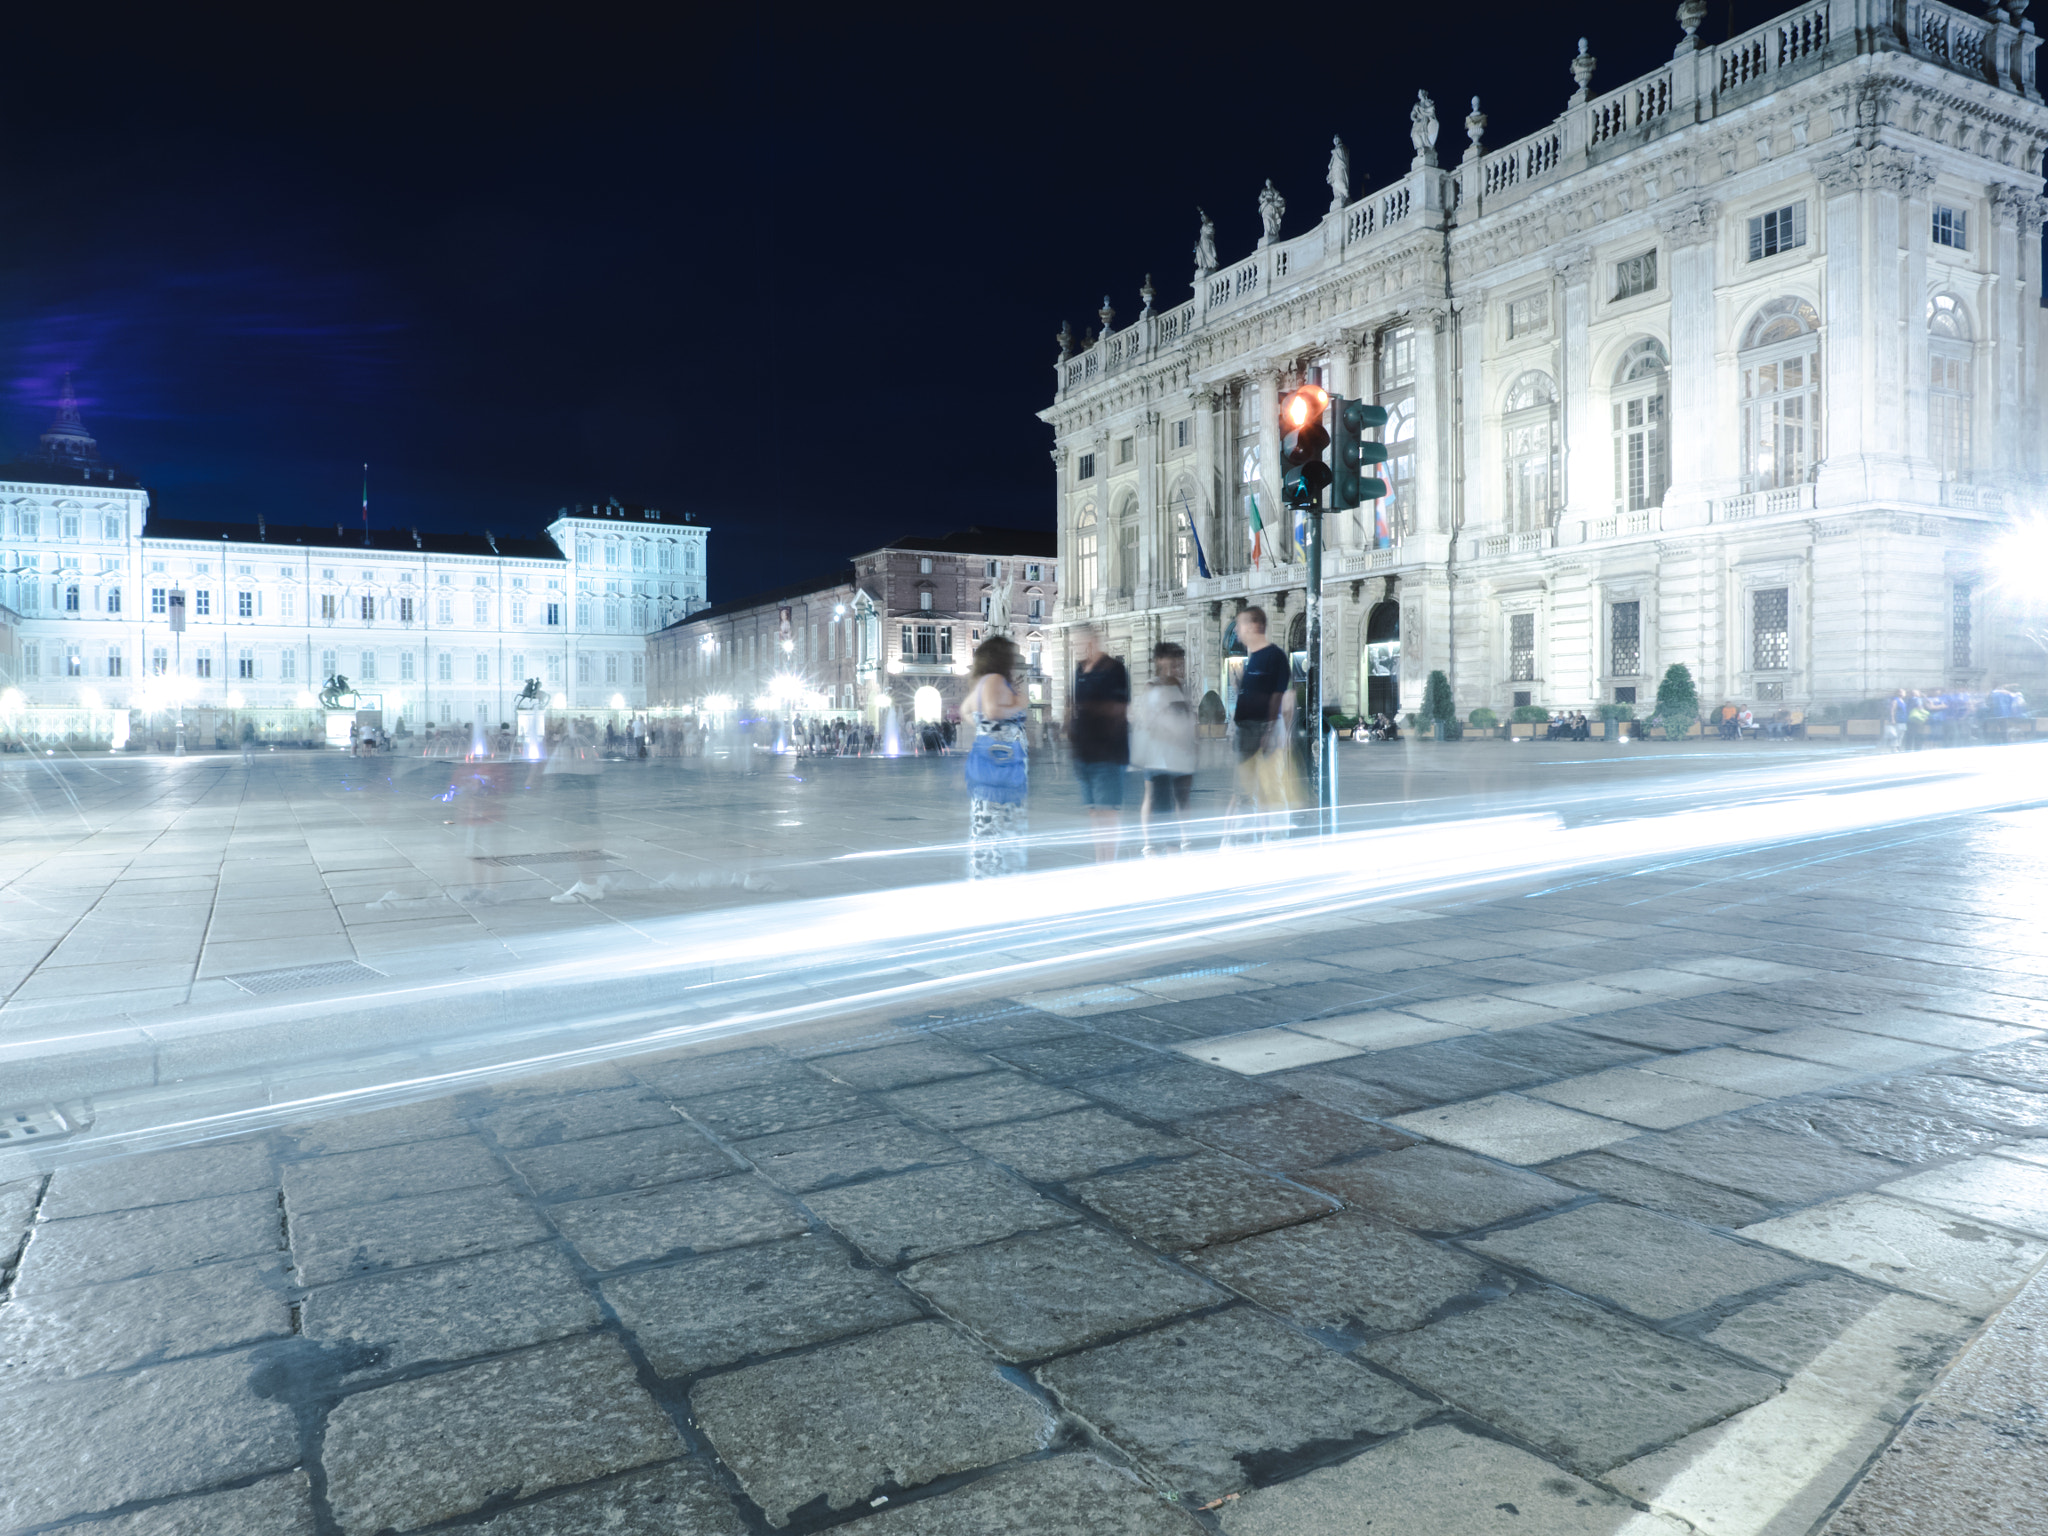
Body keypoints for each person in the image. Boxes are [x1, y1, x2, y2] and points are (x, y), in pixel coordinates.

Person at [962, 636, 1029, 878]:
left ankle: (986, 875)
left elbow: (966, 711)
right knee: (1000, 826)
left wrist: (983, 732)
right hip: (1002, 768)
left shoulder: (981, 682)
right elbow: (992, 711)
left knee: (986, 825)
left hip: (989, 767)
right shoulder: (994, 680)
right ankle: (996, 878)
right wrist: (1018, 706)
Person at [1226, 606, 1295, 841]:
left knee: (1272, 787)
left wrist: (1269, 729)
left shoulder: (1274, 656)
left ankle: (1278, 838)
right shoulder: (1252, 658)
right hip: (1245, 729)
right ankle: (1246, 839)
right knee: (1244, 791)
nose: (1237, 629)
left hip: (1264, 728)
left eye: (1241, 624)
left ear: (1256, 626)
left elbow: (1277, 695)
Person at [1066, 625, 1130, 862]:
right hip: (1084, 753)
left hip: (1108, 752)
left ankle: (1108, 862)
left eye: (1077, 643)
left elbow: (1119, 709)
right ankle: (1099, 859)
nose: (1074, 648)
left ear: (1091, 642)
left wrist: (1088, 711)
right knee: (1094, 811)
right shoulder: (1079, 670)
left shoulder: (1114, 669)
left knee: (1108, 810)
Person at [1131, 641, 1198, 854]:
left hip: (1180, 752)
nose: (1178, 666)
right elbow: (1149, 720)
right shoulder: (1152, 686)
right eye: (1174, 661)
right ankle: (1151, 843)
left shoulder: (1180, 685)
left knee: (1182, 796)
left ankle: (1183, 840)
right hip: (1158, 754)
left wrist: (1190, 740)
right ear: (1160, 661)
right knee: (1154, 797)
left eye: (1180, 661)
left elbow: (1187, 715)